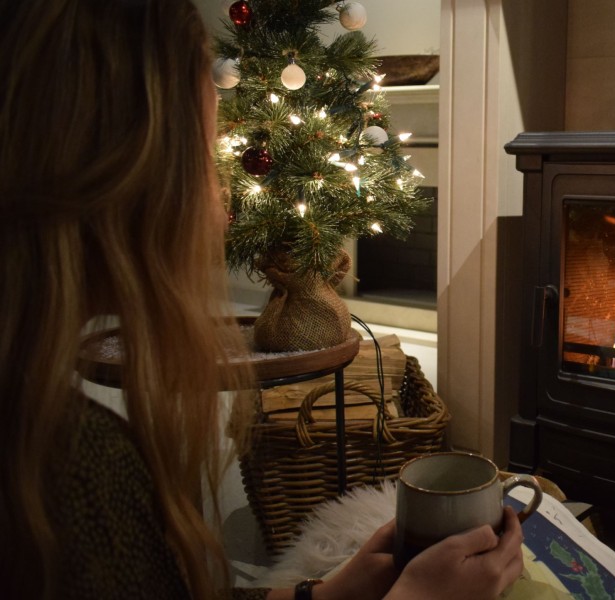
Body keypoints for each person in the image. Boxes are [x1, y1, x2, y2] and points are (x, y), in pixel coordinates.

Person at [0, 0, 525, 598]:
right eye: (205, 159)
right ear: (116, 180)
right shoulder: (67, 471)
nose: (225, 210)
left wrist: (324, 594)